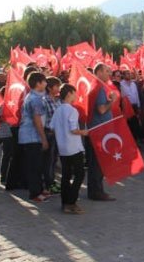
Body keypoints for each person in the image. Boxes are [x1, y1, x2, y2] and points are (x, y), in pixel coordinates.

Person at [50, 84, 88, 214]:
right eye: (75, 93)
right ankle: (71, 202)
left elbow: (52, 126)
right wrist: (83, 132)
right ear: (69, 94)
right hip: (73, 147)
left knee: (66, 176)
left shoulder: (58, 109)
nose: (76, 96)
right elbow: (73, 129)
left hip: (63, 147)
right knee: (79, 174)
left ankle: (65, 203)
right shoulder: (72, 110)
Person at [86, 63, 116, 201]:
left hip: (98, 129)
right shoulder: (98, 87)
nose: (109, 74)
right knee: (97, 164)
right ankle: (96, 192)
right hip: (99, 130)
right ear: (98, 72)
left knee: (96, 163)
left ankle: (96, 190)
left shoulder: (97, 86)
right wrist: (112, 102)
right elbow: (102, 109)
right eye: (106, 71)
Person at [18, 72, 49, 202]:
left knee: (37, 164)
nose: (46, 84)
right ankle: (35, 194)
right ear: (38, 83)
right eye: (44, 81)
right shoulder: (35, 99)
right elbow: (37, 121)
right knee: (34, 166)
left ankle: (39, 189)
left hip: (31, 136)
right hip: (31, 136)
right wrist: (44, 139)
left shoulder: (32, 96)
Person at [43, 76, 62, 194]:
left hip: (56, 134)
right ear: (50, 88)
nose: (58, 88)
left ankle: (51, 180)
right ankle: (48, 183)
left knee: (53, 159)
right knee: (48, 160)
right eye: (57, 86)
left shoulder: (56, 99)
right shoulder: (45, 100)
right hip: (49, 133)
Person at [0, 87, 14, 185]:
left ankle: (10, 176)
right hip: (6, 133)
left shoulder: (13, 105)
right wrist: (8, 117)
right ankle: (3, 177)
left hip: (13, 133)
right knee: (7, 155)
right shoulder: (2, 106)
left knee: (11, 155)